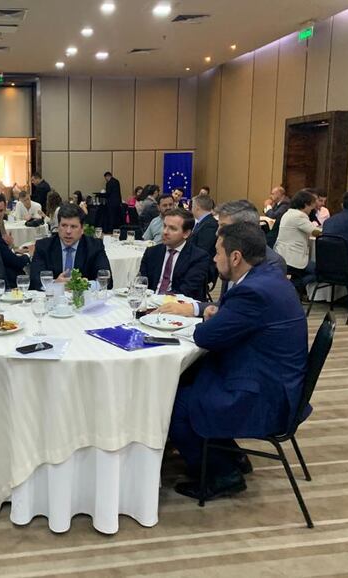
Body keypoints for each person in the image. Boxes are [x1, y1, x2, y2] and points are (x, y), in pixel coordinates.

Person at [169, 221, 308, 501]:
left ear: (235, 257)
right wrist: (218, 316)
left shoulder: (252, 291)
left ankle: (221, 474)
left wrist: (212, 321)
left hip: (265, 394)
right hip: (274, 376)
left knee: (174, 402)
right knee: (192, 376)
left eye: (218, 252)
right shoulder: (267, 276)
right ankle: (232, 456)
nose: (213, 258)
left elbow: (206, 337)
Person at [157, 200, 288, 318]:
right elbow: (225, 303)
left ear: (246, 228)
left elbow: (246, 312)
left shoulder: (271, 262)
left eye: (223, 227)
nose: (216, 232)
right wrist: (193, 308)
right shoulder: (231, 254)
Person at [29, 203, 113, 290]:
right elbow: (35, 280)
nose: (68, 231)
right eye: (64, 225)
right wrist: (55, 284)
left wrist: (80, 285)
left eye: (73, 226)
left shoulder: (94, 246)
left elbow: (107, 280)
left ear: (82, 229)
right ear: (58, 226)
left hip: (84, 300)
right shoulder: (43, 246)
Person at [138, 208, 211, 301]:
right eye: (164, 226)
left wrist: (160, 300)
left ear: (186, 233)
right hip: (149, 302)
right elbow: (142, 282)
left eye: (172, 228)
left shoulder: (198, 257)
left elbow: (187, 291)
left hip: (180, 306)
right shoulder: (152, 252)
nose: (165, 232)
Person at [274, 190, 322, 296]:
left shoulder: (288, 213)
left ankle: (294, 286)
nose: (311, 210)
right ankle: (295, 285)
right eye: (311, 207)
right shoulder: (299, 216)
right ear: (305, 205)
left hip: (283, 254)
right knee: (321, 271)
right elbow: (315, 232)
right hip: (294, 258)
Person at [0, 210, 31, 289]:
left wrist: (11, 249)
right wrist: (28, 254)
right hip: (7, 279)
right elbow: (17, 262)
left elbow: (3, 254)